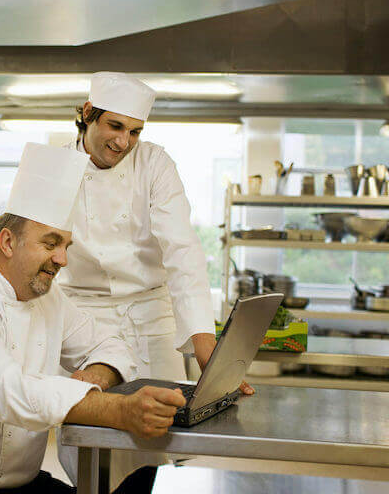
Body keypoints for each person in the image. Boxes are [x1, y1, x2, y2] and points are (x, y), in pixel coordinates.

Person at [0, 142, 186, 493]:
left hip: (24, 484)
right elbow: (5, 392)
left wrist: (96, 377)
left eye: (66, 247)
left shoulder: (51, 299)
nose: (62, 259)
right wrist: (117, 410)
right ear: (8, 242)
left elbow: (112, 345)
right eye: (50, 243)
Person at [56, 71, 254, 489]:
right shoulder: (52, 161)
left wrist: (206, 348)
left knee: (150, 443)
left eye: (134, 131)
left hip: (150, 317)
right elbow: (29, 243)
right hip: (81, 319)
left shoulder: (154, 162)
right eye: (114, 126)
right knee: (88, 446)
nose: (123, 142)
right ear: (88, 114)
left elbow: (182, 250)